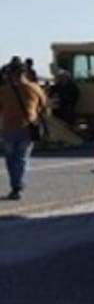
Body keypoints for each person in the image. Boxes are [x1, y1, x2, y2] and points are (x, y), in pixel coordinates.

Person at [0, 56, 49, 200]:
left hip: (8, 128)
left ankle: (15, 184)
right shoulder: (35, 88)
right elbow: (44, 106)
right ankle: (18, 185)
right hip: (27, 127)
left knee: (10, 158)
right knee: (21, 158)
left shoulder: (4, 91)